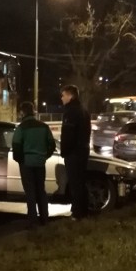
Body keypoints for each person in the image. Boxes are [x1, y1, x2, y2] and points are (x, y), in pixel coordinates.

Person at [12, 101, 56, 227]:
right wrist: (44, 156)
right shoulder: (43, 126)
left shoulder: (21, 128)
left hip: (27, 163)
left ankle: (33, 221)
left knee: (30, 192)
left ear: (22, 112)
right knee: (41, 190)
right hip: (40, 163)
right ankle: (45, 219)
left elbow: (16, 146)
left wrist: (21, 160)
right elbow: (51, 145)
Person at [59, 84, 91, 220]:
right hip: (83, 150)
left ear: (70, 96)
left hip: (73, 153)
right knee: (81, 181)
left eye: (63, 95)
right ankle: (83, 209)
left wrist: (64, 151)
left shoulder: (70, 112)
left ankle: (77, 213)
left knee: (74, 183)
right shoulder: (83, 110)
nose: (61, 98)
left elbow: (68, 135)